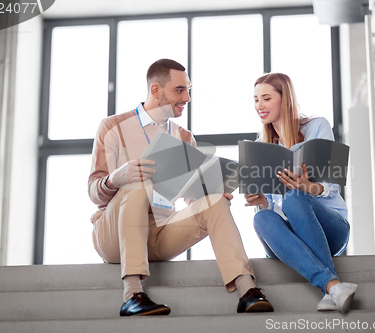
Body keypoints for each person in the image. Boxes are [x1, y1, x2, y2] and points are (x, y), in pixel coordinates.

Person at [88, 59, 273, 316]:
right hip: (114, 235)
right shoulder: (112, 127)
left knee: (214, 200)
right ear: (155, 90)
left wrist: (209, 192)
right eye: (179, 90)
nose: (187, 97)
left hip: (160, 233)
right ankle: (132, 294)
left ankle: (247, 290)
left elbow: (188, 196)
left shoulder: (184, 137)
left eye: (188, 90)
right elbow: (93, 192)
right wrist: (115, 178)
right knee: (139, 181)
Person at [244, 73, 357, 313]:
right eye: (255, 100)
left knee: (295, 197)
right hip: (290, 240)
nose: (259, 106)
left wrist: (308, 187)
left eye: (266, 98)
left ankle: (327, 284)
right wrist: (263, 202)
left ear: (284, 100)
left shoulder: (317, 126)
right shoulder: (261, 145)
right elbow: (274, 212)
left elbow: (333, 186)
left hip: (329, 228)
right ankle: (333, 286)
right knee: (261, 217)